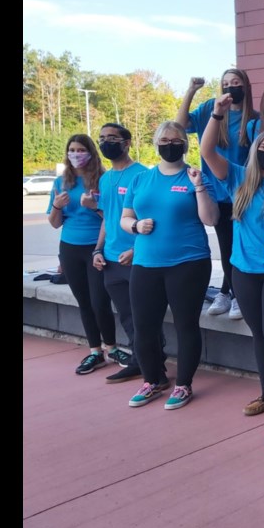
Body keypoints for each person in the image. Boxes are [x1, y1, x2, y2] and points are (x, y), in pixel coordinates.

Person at [201, 93, 264, 418]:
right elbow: (206, 151)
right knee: (258, 334)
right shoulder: (239, 177)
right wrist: (216, 116)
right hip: (243, 270)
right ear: (255, 151)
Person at [121, 121, 219, 410]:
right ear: (156, 143)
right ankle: (152, 380)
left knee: (185, 324)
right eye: (164, 139)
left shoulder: (194, 176)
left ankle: (183, 385)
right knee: (144, 326)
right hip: (146, 263)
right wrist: (136, 225)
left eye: (176, 140)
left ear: (185, 145)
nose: (170, 144)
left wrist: (199, 185)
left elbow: (210, 218)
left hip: (188, 263)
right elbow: (125, 219)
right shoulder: (141, 179)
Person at [176, 69, 259, 320]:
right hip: (213, 192)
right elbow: (180, 126)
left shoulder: (253, 120)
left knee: (237, 245)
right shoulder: (210, 109)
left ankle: (232, 292)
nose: (231, 88)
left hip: (240, 193)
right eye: (225, 84)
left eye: (236, 83)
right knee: (224, 245)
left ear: (245, 86)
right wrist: (191, 91)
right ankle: (229, 291)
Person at [47, 134, 117, 375]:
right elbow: (55, 223)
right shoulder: (60, 182)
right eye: (72, 150)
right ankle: (95, 351)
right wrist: (57, 205)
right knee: (84, 302)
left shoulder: (103, 180)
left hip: (96, 248)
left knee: (100, 301)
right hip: (70, 248)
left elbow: (113, 218)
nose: (76, 154)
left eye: (80, 149)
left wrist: (94, 207)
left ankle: (112, 346)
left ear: (91, 152)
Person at [90, 123, 151, 383]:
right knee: (126, 316)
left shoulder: (142, 175)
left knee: (144, 315)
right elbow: (107, 218)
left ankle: (151, 363)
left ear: (126, 142)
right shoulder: (105, 178)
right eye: (102, 138)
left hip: (136, 259)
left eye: (112, 138)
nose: (106, 143)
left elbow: (153, 219)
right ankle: (139, 361)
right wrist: (98, 249)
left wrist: (136, 250)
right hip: (111, 260)